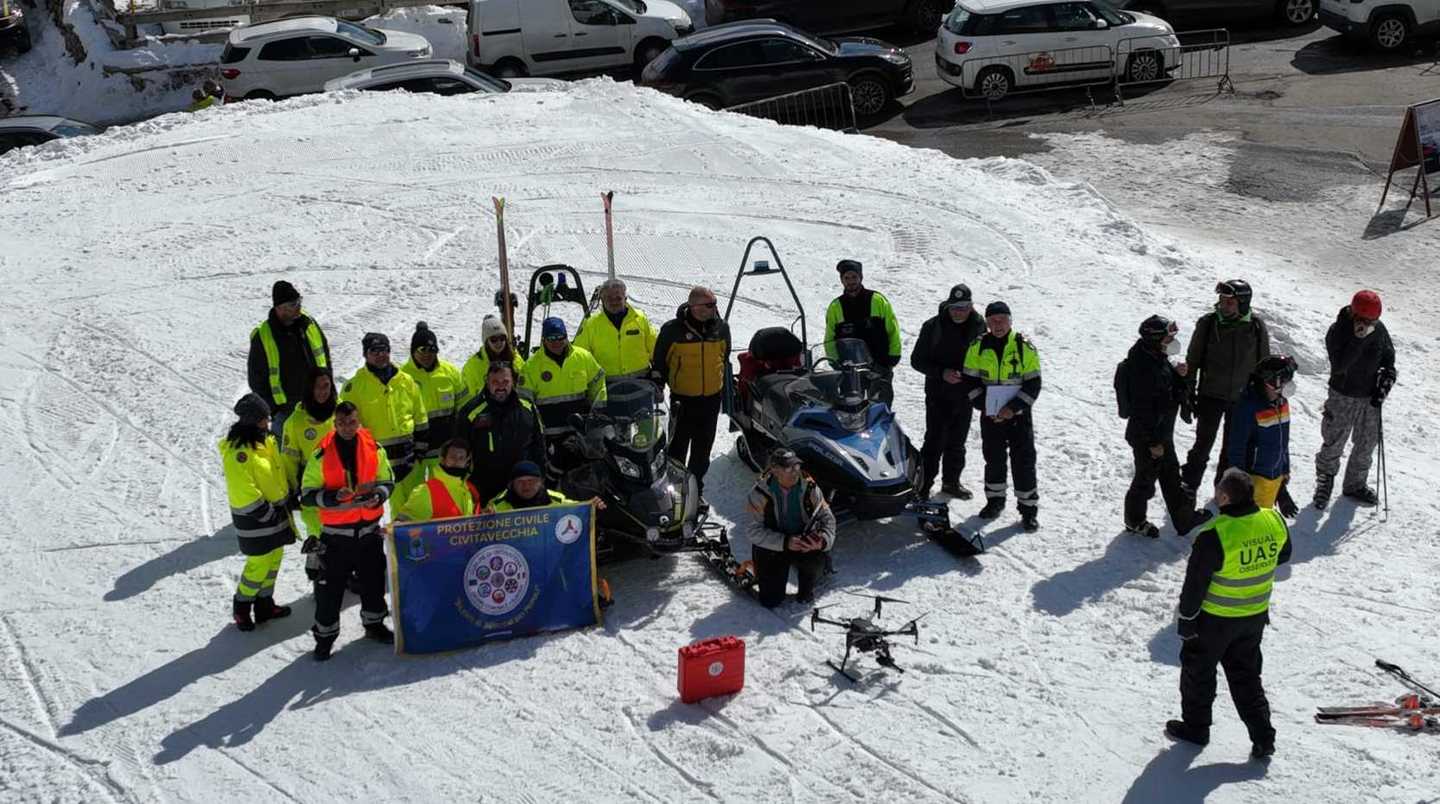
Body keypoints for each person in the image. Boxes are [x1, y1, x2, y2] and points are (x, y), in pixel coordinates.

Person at [1168, 468, 1291, 759]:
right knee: (1246, 677)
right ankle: (1263, 737)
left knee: (1198, 673)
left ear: (1224, 496)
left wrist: (1186, 621)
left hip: (1215, 620)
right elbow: (1284, 554)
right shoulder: (1273, 519)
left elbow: (1195, 586)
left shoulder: (1214, 534)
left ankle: (1197, 729)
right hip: (1254, 617)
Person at [301, 401, 395, 661]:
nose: (347, 427)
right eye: (341, 423)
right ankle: (324, 638)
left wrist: (378, 495)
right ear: (334, 423)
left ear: (358, 421)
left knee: (374, 583)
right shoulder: (321, 454)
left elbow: (388, 481)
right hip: (335, 537)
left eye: (352, 422)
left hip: (368, 533)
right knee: (329, 591)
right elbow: (307, 495)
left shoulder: (374, 448)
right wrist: (331, 497)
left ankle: (374, 624)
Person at [1120, 316, 1213, 538]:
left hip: (1162, 434)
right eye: (1168, 337)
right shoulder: (1142, 369)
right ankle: (1135, 520)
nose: (1172, 340)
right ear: (1155, 339)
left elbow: (1171, 393)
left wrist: (1179, 377)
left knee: (1171, 476)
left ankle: (1184, 520)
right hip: (1148, 437)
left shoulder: (1156, 358)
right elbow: (1143, 411)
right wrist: (1153, 443)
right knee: (1145, 479)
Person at [1181, 280, 1271, 495]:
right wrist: (1187, 393)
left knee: (1233, 449)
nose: (1224, 305)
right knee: (1203, 444)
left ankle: (1226, 491)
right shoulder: (1208, 323)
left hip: (1241, 399)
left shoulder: (1256, 326)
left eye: (1230, 302)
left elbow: (1264, 364)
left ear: (1243, 303)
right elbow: (1193, 360)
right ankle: (1188, 485)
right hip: (1210, 395)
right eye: (1222, 301)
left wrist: (1263, 396)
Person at [220, 393, 298, 631]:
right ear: (253, 420)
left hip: (276, 511)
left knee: (274, 558)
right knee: (259, 564)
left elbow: (277, 468)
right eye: (264, 418)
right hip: (257, 517)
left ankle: (265, 604)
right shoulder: (239, 451)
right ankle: (242, 607)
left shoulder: (267, 440)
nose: (269, 421)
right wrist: (265, 513)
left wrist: (289, 493)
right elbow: (243, 488)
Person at [961, 301, 1042, 532]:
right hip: (990, 415)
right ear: (986, 322)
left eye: (1002, 320)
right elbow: (970, 380)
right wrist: (984, 407)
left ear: (1010, 321)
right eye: (992, 321)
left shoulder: (1024, 346)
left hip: (1018, 416)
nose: (997, 325)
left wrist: (1012, 408)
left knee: (1024, 461)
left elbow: (1034, 384)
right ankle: (995, 501)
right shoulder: (977, 346)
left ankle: (1028, 510)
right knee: (993, 458)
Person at [1314, 290, 1396, 509]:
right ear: (1354, 315)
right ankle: (1324, 481)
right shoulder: (1338, 331)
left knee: (1367, 441)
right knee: (1334, 440)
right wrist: (1358, 340)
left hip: (1369, 397)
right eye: (1365, 320)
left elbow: (1389, 356)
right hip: (1342, 395)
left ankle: (1355, 484)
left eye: (1374, 320)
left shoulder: (1378, 330)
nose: (1370, 324)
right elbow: (1340, 366)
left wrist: (1388, 376)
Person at [910, 283, 985, 500]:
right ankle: (922, 487)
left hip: (965, 396)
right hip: (938, 395)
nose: (958, 312)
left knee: (957, 442)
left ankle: (951, 482)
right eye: (954, 307)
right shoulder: (933, 326)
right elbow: (917, 360)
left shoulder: (979, 327)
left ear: (970, 306)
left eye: (963, 307)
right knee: (934, 442)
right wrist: (942, 373)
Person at [653, 286, 731, 492]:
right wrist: (658, 385)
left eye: (714, 304)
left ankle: (696, 489)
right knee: (678, 447)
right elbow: (660, 362)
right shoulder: (672, 330)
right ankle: (675, 491)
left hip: (711, 400)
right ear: (695, 307)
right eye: (710, 304)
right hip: (683, 401)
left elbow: (724, 357)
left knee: (703, 449)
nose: (715, 308)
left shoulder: (721, 328)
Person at [745, 448, 837, 608]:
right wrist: (785, 542)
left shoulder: (810, 488)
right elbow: (753, 531)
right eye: (789, 468)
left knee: (810, 579)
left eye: (797, 467)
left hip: (804, 543)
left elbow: (828, 519)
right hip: (774, 546)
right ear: (775, 470)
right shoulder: (758, 494)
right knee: (770, 601)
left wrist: (822, 541)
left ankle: (809, 584)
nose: (795, 472)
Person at [340, 332, 428, 498]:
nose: (381, 355)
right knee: (382, 504)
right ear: (365, 354)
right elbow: (346, 425)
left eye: (384, 350)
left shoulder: (406, 381)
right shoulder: (354, 387)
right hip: (377, 459)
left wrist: (420, 449)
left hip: (409, 457)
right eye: (374, 351)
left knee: (417, 501)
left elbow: (420, 416)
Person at [246, 280, 331, 444]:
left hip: (317, 404)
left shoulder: (309, 324)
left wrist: (328, 391)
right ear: (279, 308)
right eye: (293, 304)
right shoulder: (263, 337)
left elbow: (325, 359)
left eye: (299, 301)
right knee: (287, 462)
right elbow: (256, 380)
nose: (298, 306)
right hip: (285, 413)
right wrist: (274, 409)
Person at [519, 317, 607, 475]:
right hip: (550, 437)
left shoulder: (583, 357)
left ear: (566, 337)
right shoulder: (531, 367)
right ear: (543, 340)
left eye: (560, 337)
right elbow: (524, 401)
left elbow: (598, 382)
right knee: (554, 476)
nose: (556, 342)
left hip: (582, 434)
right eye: (551, 338)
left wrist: (597, 411)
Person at [458, 362, 546, 503]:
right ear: (487, 382)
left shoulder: (527, 407)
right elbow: (460, 452)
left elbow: (539, 446)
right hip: (485, 489)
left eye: (505, 381)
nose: (500, 386)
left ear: (513, 382)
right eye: (495, 382)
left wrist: (541, 480)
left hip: (522, 487)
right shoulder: (471, 412)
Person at [1226, 355, 1298, 515]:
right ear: (1271, 381)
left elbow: (1282, 442)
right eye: (1285, 380)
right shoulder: (1248, 407)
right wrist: (1240, 487)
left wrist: (1282, 484)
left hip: (1273, 479)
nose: (1289, 384)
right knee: (1247, 526)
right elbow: (1237, 448)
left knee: (1262, 523)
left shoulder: (1282, 402)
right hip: (1253, 481)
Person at [281, 367, 337, 540]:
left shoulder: (342, 413)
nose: (322, 392)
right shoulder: (295, 422)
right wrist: (290, 490)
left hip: (342, 485)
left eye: (326, 386)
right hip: (313, 487)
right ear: (309, 389)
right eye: (317, 387)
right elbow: (289, 460)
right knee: (317, 538)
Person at [400, 321, 464, 470]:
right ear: (413, 350)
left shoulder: (450, 373)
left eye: (432, 349)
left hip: (445, 452)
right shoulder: (402, 378)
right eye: (422, 350)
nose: (427, 355)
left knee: (443, 491)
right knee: (413, 492)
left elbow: (464, 407)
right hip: (416, 453)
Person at [824, 259, 901, 377]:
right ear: (842, 280)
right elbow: (830, 338)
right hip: (849, 370)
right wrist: (835, 363)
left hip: (880, 367)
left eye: (854, 277)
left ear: (861, 277)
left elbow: (893, 330)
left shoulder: (877, 300)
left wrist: (892, 358)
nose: (851, 281)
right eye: (846, 278)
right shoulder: (835, 306)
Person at [573, 278, 657, 384]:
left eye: (618, 298)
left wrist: (658, 377)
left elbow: (655, 349)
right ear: (602, 300)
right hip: (607, 386)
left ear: (625, 298)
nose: (614, 302)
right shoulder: (591, 324)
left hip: (641, 383)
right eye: (609, 298)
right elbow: (580, 356)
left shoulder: (640, 319)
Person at [396, 439, 481, 521]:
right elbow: (403, 523)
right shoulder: (425, 490)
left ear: (467, 462)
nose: (456, 461)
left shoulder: (471, 490)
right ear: (443, 459)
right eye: (452, 457)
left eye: (461, 458)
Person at [460, 315, 527, 408]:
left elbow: (525, 386)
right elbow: (468, 399)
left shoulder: (515, 359)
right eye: (494, 340)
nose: (499, 343)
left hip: (513, 411)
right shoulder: (473, 366)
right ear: (486, 341)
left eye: (502, 338)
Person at [486, 460, 574, 512]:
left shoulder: (557, 501)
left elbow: (581, 509)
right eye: (520, 482)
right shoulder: (496, 506)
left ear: (540, 482)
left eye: (531, 481)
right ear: (512, 484)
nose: (526, 486)